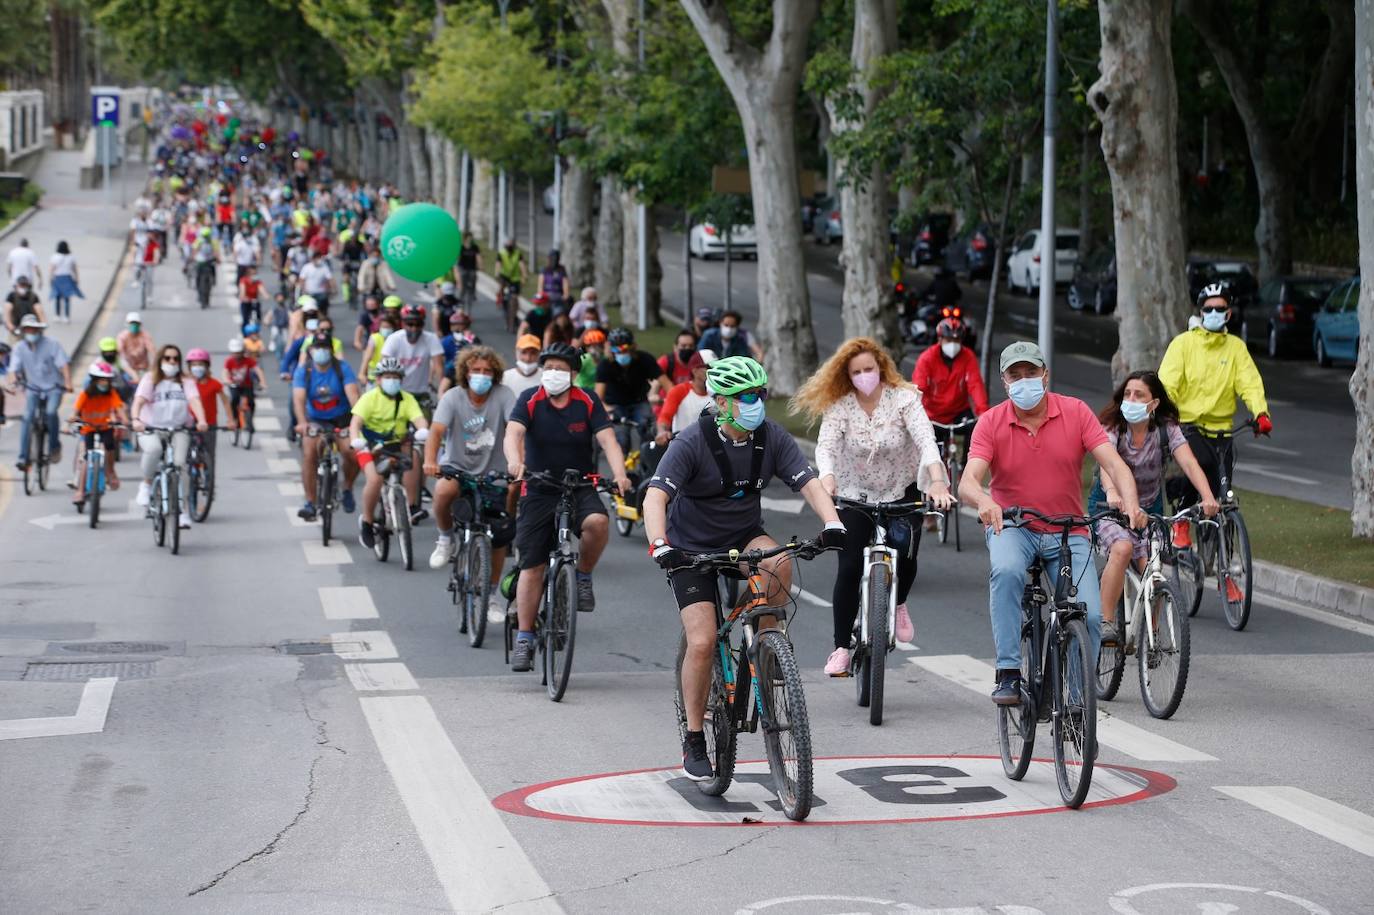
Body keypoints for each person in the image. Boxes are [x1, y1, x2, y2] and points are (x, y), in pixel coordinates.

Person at [642, 355, 844, 780]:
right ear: (720, 401)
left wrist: (832, 523)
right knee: (701, 640)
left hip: (743, 537)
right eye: (744, 396)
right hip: (689, 548)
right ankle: (695, 736)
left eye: (759, 394)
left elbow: (808, 483)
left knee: (780, 561)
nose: (755, 402)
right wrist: (661, 545)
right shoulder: (690, 443)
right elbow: (655, 497)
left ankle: (770, 650)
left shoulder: (770, 437)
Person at [956, 341, 1145, 705]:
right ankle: (1008, 671)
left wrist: (1132, 505)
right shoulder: (991, 422)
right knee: (1007, 571)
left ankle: (1076, 702)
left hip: (1068, 528)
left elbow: (1116, 465)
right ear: (1004, 381)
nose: (1024, 380)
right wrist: (983, 500)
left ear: (1046, 375)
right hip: (1014, 526)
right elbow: (968, 481)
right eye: (1015, 375)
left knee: (1089, 617)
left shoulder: (1075, 412)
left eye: (1031, 373)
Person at [795, 338, 955, 674]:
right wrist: (826, 478)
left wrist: (938, 481)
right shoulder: (840, 405)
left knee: (906, 553)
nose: (864, 376)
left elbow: (927, 441)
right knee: (850, 564)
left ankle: (897, 603)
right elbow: (825, 447)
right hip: (855, 493)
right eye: (857, 372)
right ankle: (840, 648)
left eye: (869, 369)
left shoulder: (904, 399)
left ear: (881, 367)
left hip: (902, 487)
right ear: (846, 375)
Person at [502, 343, 632, 672]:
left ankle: (583, 576)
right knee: (532, 567)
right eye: (549, 368)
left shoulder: (587, 400)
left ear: (573, 374)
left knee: (598, 524)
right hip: (539, 487)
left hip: (580, 486)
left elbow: (608, 441)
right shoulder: (531, 398)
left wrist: (619, 474)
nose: (553, 374)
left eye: (560, 369)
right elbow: (513, 432)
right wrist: (515, 461)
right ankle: (526, 637)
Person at [1090, 371, 1220, 631]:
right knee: (1123, 548)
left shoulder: (1165, 430)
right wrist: (1113, 493)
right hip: (1110, 509)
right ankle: (1105, 624)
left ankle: (1153, 633)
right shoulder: (1114, 426)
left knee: (1152, 564)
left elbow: (1189, 463)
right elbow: (1108, 465)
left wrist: (1207, 497)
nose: (1131, 400)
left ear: (1154, 403)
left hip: (1149, 512)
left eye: (1139, 395)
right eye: (1127, 394)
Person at [1157, 283, 1272, 547]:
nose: (1214, 313)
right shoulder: (1183, 344)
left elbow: (1250, 383)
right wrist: (1166, 413)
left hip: (1223, 431)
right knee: (1196, 468)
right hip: (1189, 426)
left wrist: (1261, 413)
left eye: (1220, 308)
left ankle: (1228, 572)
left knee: (1225, 500)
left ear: (1228, 313)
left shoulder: (1236, 348)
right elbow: (1167, 384)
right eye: (1208, 308)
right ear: (1200, 311)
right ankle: (1182, 521)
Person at [425, 346, 516, 617]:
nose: (481, 375)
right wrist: (431, 460)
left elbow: (515, 429)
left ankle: (490, 597)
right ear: (465, 372)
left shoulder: (504, 395)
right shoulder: (453, 397)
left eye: (487, 371)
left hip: (494, 472)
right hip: (458, 467)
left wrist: (518, 461)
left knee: (499, 536)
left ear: (495, 374)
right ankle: (445, 538)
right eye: (476, 370)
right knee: (443, 491)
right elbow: (436, 431)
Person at [350, 357, 430, 548]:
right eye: (387, 376)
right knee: (375, 479)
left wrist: (422, 430)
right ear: (378, 379)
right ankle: (367, 522)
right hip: (369, 446)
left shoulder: (407, 399)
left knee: (415, 457)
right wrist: (355, 440)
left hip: (396, 444)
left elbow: (419, 419)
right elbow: (355, 423)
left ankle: (411, 506)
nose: (391, 380)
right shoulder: (369, 398)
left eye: (395, 377)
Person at [131, 344, 209, 530]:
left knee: (181, 465)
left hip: (179, 428)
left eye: (175, 358)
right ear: (160, 360)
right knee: (154, 449)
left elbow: (194, 401)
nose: (172, 362)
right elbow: (139, 401)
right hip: (151, 427)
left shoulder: (185, 380)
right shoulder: (151, 379)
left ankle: (183, 512)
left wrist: (202, 420)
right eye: (167, 358)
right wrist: (135, 419)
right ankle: (147, 484)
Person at [380, 305, 444, 520]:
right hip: (396, 396)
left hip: (420, 396)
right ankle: (385, 488)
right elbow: (383, 369)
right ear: (402, 324)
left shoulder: (431, 339)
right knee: (390, 443)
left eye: (417, 324)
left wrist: (441, 390)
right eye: (409, 324)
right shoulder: (394, 340)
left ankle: (415, 497)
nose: (413, 328)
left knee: (421, 445)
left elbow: (439, 368)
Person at [294, 331, 362, 520]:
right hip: (316, 420)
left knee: (352, 453)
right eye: (318, 348)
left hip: (342, 419)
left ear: (331, 351)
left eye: (325, 348)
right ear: (311, 350)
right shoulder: (304, 371)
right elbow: (298, 398)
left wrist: (356, 422)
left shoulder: (342, 368)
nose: (321, 351)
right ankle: (310, 502)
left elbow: (353, 396)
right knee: (309, 454)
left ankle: (347, 487)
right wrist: (302, 422)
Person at [5, 316, 72, 470]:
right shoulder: (19, 347)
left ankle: (54, 446)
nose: (31, 332)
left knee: (50, 412)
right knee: (27, 417)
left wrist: (67, 382)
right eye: (28, 329)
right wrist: (13, 382)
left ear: (39, 330)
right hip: (33, 388)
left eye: (34, 329)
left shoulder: (52, 344)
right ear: (23, 331)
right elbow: (13, 370)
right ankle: (23, 457)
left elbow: (63, 364)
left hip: (53, 387)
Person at [595, 327, 672, 453]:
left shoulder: (645, 359)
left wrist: (673, 401)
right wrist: (609, 410)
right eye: (616, 349)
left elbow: (668, 385)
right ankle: (621, 470)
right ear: (611, 350)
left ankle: (648, 465)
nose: (621, 352)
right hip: (615, 405)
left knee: (648, 433)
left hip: (639, 402)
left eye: (624, 348)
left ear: (632, 346)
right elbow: (598, 397)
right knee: (621, 439)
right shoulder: (605, 365)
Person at [68, 361, 128, 502]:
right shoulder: (85, 395)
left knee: (109, 448)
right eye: (101, 380)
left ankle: (110, 472)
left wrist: (125, 419)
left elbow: (119, 407)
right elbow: (75, 412)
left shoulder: (111, 393)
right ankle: (80, 491)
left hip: (105, 428)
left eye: (107, 380)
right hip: (88, 429)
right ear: (94, 380)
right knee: (85, 458)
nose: (105, 383)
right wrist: (70, 422)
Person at [655, 349, 715, 443]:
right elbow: (665, 417)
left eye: (716, 367)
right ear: (695, 370)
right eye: (708, 367)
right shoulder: (679, 391)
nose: (714, 371)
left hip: (712, 446)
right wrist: (662, 432)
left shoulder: (721, 393)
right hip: (683, 446)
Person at [187, 348, 229, 464]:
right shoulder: (185, 383)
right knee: (185, 453)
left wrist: (231, 420)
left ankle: (209, 480)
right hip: (188, 422)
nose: (197, 367)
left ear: (207, 366)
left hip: (209, 423)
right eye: (194, 364)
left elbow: (225, 401)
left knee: (210, 454)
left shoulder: (214, 384)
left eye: (200, 364)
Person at [223, 337, 266, 431]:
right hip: (234, 385)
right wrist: (227, 380)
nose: (237, 355)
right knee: (234, 400)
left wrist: (262, 382)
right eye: (235, 353)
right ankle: (234, 419)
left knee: (251, 402)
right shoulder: (229, 361)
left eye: (239, 352)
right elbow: (225, 372)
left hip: (247, 385)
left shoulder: (248, 360)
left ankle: (250, 420)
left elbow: (258, 370)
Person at [697, 310, 764, 361]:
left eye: (732, 326)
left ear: (737, 327)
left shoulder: (740, 339)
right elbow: (700, 354)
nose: (728, 329)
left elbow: (744, 358)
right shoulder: (709, 335)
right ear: (720, 323)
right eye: (726, 325)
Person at [361, 310, 400, 385]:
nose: (386, 329)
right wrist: (362, 373)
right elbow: (367, 357)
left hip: (393, 377)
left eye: (388, 327)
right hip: (374, 377)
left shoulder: (397, 338)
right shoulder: (375, 338)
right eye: (383, 327)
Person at [49, 241, 83, 325]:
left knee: (57, 297)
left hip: (58, 278)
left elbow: (52, 269)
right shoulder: (71, 257)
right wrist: (77, 278)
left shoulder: (55, 257)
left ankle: (57, 315)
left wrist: (50, 278)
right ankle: (66, 317)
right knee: (67, 298)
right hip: (68, 278)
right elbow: (74, 268)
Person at [117, 312, 156, 378]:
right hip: (128, 369)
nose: (134, 325)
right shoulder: (122, 336)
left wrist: (155, 365)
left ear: (140, 324)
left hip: (143, 369)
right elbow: (119, 351)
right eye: (132, 323)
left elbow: (152, 350)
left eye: (136, 323)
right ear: (127, 324)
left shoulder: (145, 335)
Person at [296, 248, 335, 313]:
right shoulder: (307, 267)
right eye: (316, 257)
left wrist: (333, 289)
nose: (318, 259)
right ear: (313, 258)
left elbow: (330, 279)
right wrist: (303, 290)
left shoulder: (324, 267)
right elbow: (301, 280)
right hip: (309, 293)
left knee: (323, 309)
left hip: (321, 294)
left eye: (319, 257)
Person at [539, 249, 571, 313]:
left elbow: (566, 285)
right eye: (552, 258)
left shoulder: (562, 270)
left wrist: (565, 296)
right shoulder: (544, 270)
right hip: (546, 296)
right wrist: (542, 296)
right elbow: (540, 286)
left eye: (556, 258)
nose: (554, 260)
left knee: (559, 311)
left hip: (559, 297)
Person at [456, 234, 481, 308]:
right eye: (469, 238)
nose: (470, 239)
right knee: (463, 285)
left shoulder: (475, 247)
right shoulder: (461, 247)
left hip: (472, 268)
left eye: (471, 238)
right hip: (463, 268)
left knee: (474, 276)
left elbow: (478, 256)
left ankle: (473, 293)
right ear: (465, 239)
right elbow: (458, 257)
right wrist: (457, 267)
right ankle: (461, 297)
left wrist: (480, 265)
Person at [238, 264, 265, 332]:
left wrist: (266, 296)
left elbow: (262, 290)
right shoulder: (243, 280)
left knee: (258, 316)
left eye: (255, 273)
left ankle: (257, 329)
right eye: (253, 274)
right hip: (246, 302)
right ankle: (244, 333)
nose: (254, 275)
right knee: (245, 319)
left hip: (254, 301)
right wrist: (244, 297)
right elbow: (242, 291)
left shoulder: (257, 282)